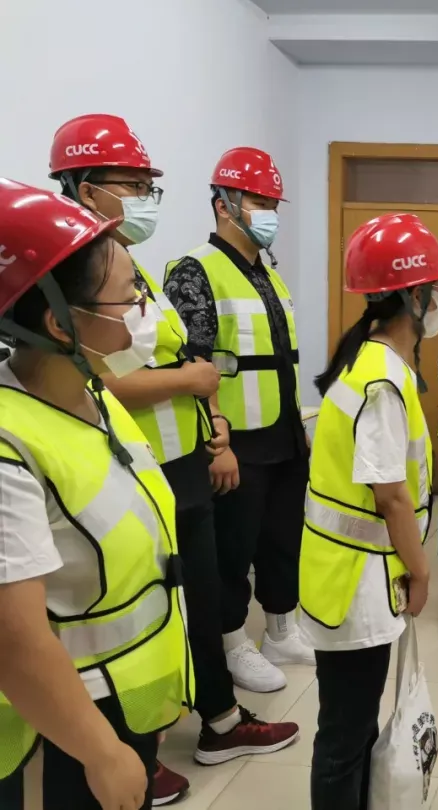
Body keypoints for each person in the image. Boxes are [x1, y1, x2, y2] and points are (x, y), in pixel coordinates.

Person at [48, 117, 299, 800]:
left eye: (146, 186)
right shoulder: (75, 278)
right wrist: (193, 383)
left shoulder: (131, 268)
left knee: (196, 599)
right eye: (132, 185)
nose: (144, 198)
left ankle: (216, 721)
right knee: (138, 612)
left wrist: (210, 417)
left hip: (179, 463)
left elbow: (179, 352)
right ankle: (137, 749)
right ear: (85, 187)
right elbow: (103, 377)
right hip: (130, 470)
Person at [0, 179, 191, 810]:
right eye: (130, 296)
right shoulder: (8, 445)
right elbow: (14, 640)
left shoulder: (93, 395)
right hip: (64, 734)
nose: (145, 310)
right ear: (60, 323)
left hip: (123, 698)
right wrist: (101, 754)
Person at [299, 213, 438, 810]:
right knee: (345, 735)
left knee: (353, 727)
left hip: (346, 570)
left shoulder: (367, 359)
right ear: (414, 298)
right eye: (437, 288)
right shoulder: (383, 382)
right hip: (354, 582)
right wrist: (422, 571)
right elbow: (390, 497)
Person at [163, 147, 313, 693]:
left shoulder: (267, 273)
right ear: (223, 204)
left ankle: (280, 630)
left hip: (283, 434)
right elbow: (193, 363)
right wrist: (217, 443)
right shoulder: (194, 271)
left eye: (273, 203)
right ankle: (232, 643)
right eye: (258, 201)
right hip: (236, 440)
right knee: (232, 549)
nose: (269, 212)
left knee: (281, 538)